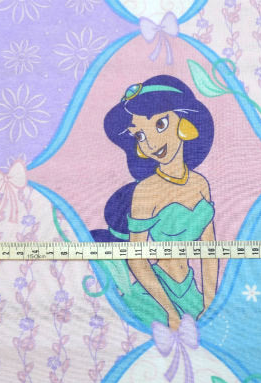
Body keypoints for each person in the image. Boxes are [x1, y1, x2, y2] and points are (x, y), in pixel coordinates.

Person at [92, 75, 218, 330]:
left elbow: (210, 250)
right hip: (154, 295)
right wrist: (170, 312)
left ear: (184, 123)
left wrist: (210, 300)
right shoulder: (145, 192)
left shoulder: (200, 185)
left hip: (191, 290)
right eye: (140, 135)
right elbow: (136, 258)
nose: (150, 143)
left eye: (160, 124)